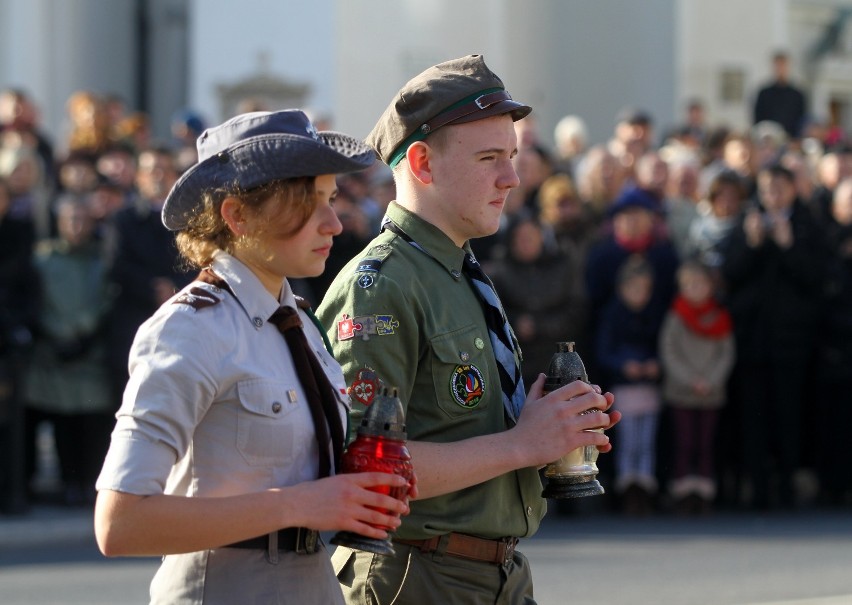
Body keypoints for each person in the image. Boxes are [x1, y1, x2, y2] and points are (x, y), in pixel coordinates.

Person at [317, 54, 619, 605]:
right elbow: (362, 471)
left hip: (492, 573)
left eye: (512, 156)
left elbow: (460, 426)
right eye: (489, 158)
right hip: (418, 578)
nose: (512, 177)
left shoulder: (456, 270)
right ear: (424, 164)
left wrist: (554, 431)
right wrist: (522, 443)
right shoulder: (383, 285)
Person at [94, 110, 413, 604]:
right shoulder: (189, 329)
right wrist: (300, 505)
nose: (332, 222)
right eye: (307, 204)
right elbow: (120, 523)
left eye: (331, 200)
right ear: (237, 215)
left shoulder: (299, 323)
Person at [24, 196, 114, 506]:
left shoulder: (101, 260)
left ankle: (90, 482)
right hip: (52, 353)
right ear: (59, 223)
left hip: (90, 353)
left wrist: (85, 332)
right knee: (61, 421)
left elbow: (108, 299)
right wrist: (54, 332)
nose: (76, 225)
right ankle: (68, 482)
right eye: (70, 219)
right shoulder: (43, 259)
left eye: (81, 219)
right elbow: (36, 301)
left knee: (92, 422)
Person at [658, 259, 735, 515]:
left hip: (710, 393)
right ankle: (683, 492)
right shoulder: (676, 316)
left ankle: (704, 493)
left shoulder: (719, 317)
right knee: (684, 443)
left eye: (700, 283)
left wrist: (710, 380)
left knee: (705, 444)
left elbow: (726, 353)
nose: (695, 289)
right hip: (682, 392)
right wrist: (690, 379)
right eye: (689, 284)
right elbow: (669, 352)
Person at [594, 256, 662, 516]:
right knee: (628, 440)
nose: (639, 296)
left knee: (647, 441)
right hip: (624, 389)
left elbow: (662, 346)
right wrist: (624, 365)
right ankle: (628, 488)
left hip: (649, 389)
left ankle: (645, 486)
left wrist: (657, 365)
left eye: (644, 290)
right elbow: (604, 352)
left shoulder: (654, 315)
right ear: (622, 289)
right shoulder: (612, 316)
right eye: (634, 289)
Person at [753, 51, 807, 140]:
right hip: (768, 139)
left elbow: (801, 119)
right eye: (778, 65)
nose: (780, 69)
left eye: (783, 65)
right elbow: (758, 117)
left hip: (790, 139)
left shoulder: (797, 95)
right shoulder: (764, 93)